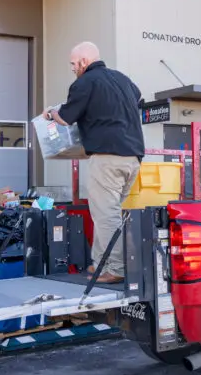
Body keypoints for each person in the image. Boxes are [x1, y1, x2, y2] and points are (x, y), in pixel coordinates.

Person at [44, 41, 145, 284]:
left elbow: (66, 118)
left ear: (83, 62)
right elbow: (139, 100)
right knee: (105, 212)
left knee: (106, 214)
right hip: (133, 158)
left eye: (72, 64)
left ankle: (117, 268)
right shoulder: (123, 79)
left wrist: (50, 113)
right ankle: (101, 263)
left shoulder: (83, 83)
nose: (72, 68)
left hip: (107, 158)